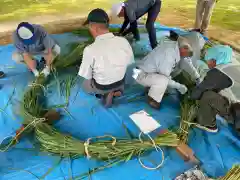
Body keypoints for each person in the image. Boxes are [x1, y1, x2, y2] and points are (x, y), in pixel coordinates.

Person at [78, 8, 134, 107]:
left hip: (102, 87)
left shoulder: (90, 49)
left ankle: (104, 93)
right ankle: (117, 91)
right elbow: (130, 64)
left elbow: (86, 75)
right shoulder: (123, 41)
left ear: (94, 27)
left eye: (89, 26)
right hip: (120, 82)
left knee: (84, 83)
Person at [133, 34, 201, 109]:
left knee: (166, 78)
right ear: (183, 49)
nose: (186, 57)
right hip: (139, 74)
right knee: (163, 81)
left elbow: (187, 63)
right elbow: (165, 78)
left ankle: (151, 87)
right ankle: (152, 99)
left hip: (149, 71)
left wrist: (197, 77)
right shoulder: (168, 55)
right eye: (186, 54)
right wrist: (179, 86)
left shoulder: (177, 47)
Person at [190, 68, 240, 134]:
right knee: (217, 94)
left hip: (235, 114)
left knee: (208, 96)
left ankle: (208, 124)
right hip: (236, 109)